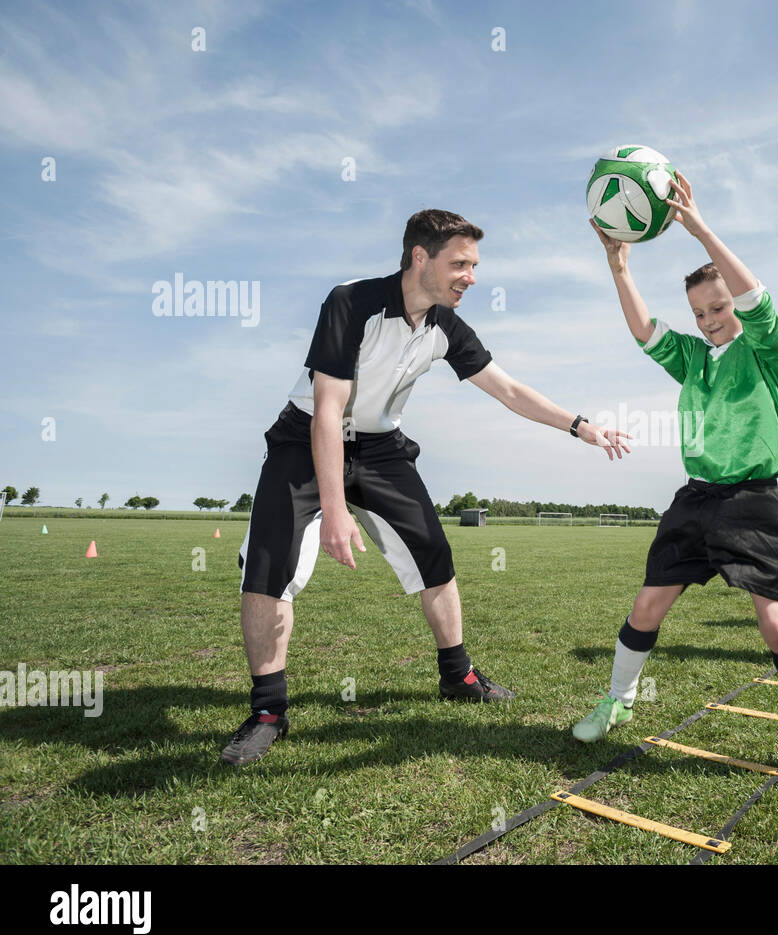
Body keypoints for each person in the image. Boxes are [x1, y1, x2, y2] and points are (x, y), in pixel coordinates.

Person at [222, 209, 629, 766]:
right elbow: (328, 410)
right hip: (306, 440)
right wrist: (335, 509)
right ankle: (268, 711)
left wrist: (581, 426)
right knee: (271, 563)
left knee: (434, 554)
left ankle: (458, 675)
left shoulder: (445, 325)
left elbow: (507, 389)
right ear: (421, 257)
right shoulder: (351, 302)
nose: (471, 276)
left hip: (382, 448)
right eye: (460, 263)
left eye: (474, 265)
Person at [572, 174, 778, 796]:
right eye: (701, 312)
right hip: (695, 497)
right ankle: (618, 701)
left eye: (718, 307)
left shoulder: (766, 349)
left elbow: (757, 297)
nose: (709, 320)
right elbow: (644, 329)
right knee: (647, 605)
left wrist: (700, 228)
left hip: (755, 500)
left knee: (776, 623)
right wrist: (618, 265)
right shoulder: (691, 357)